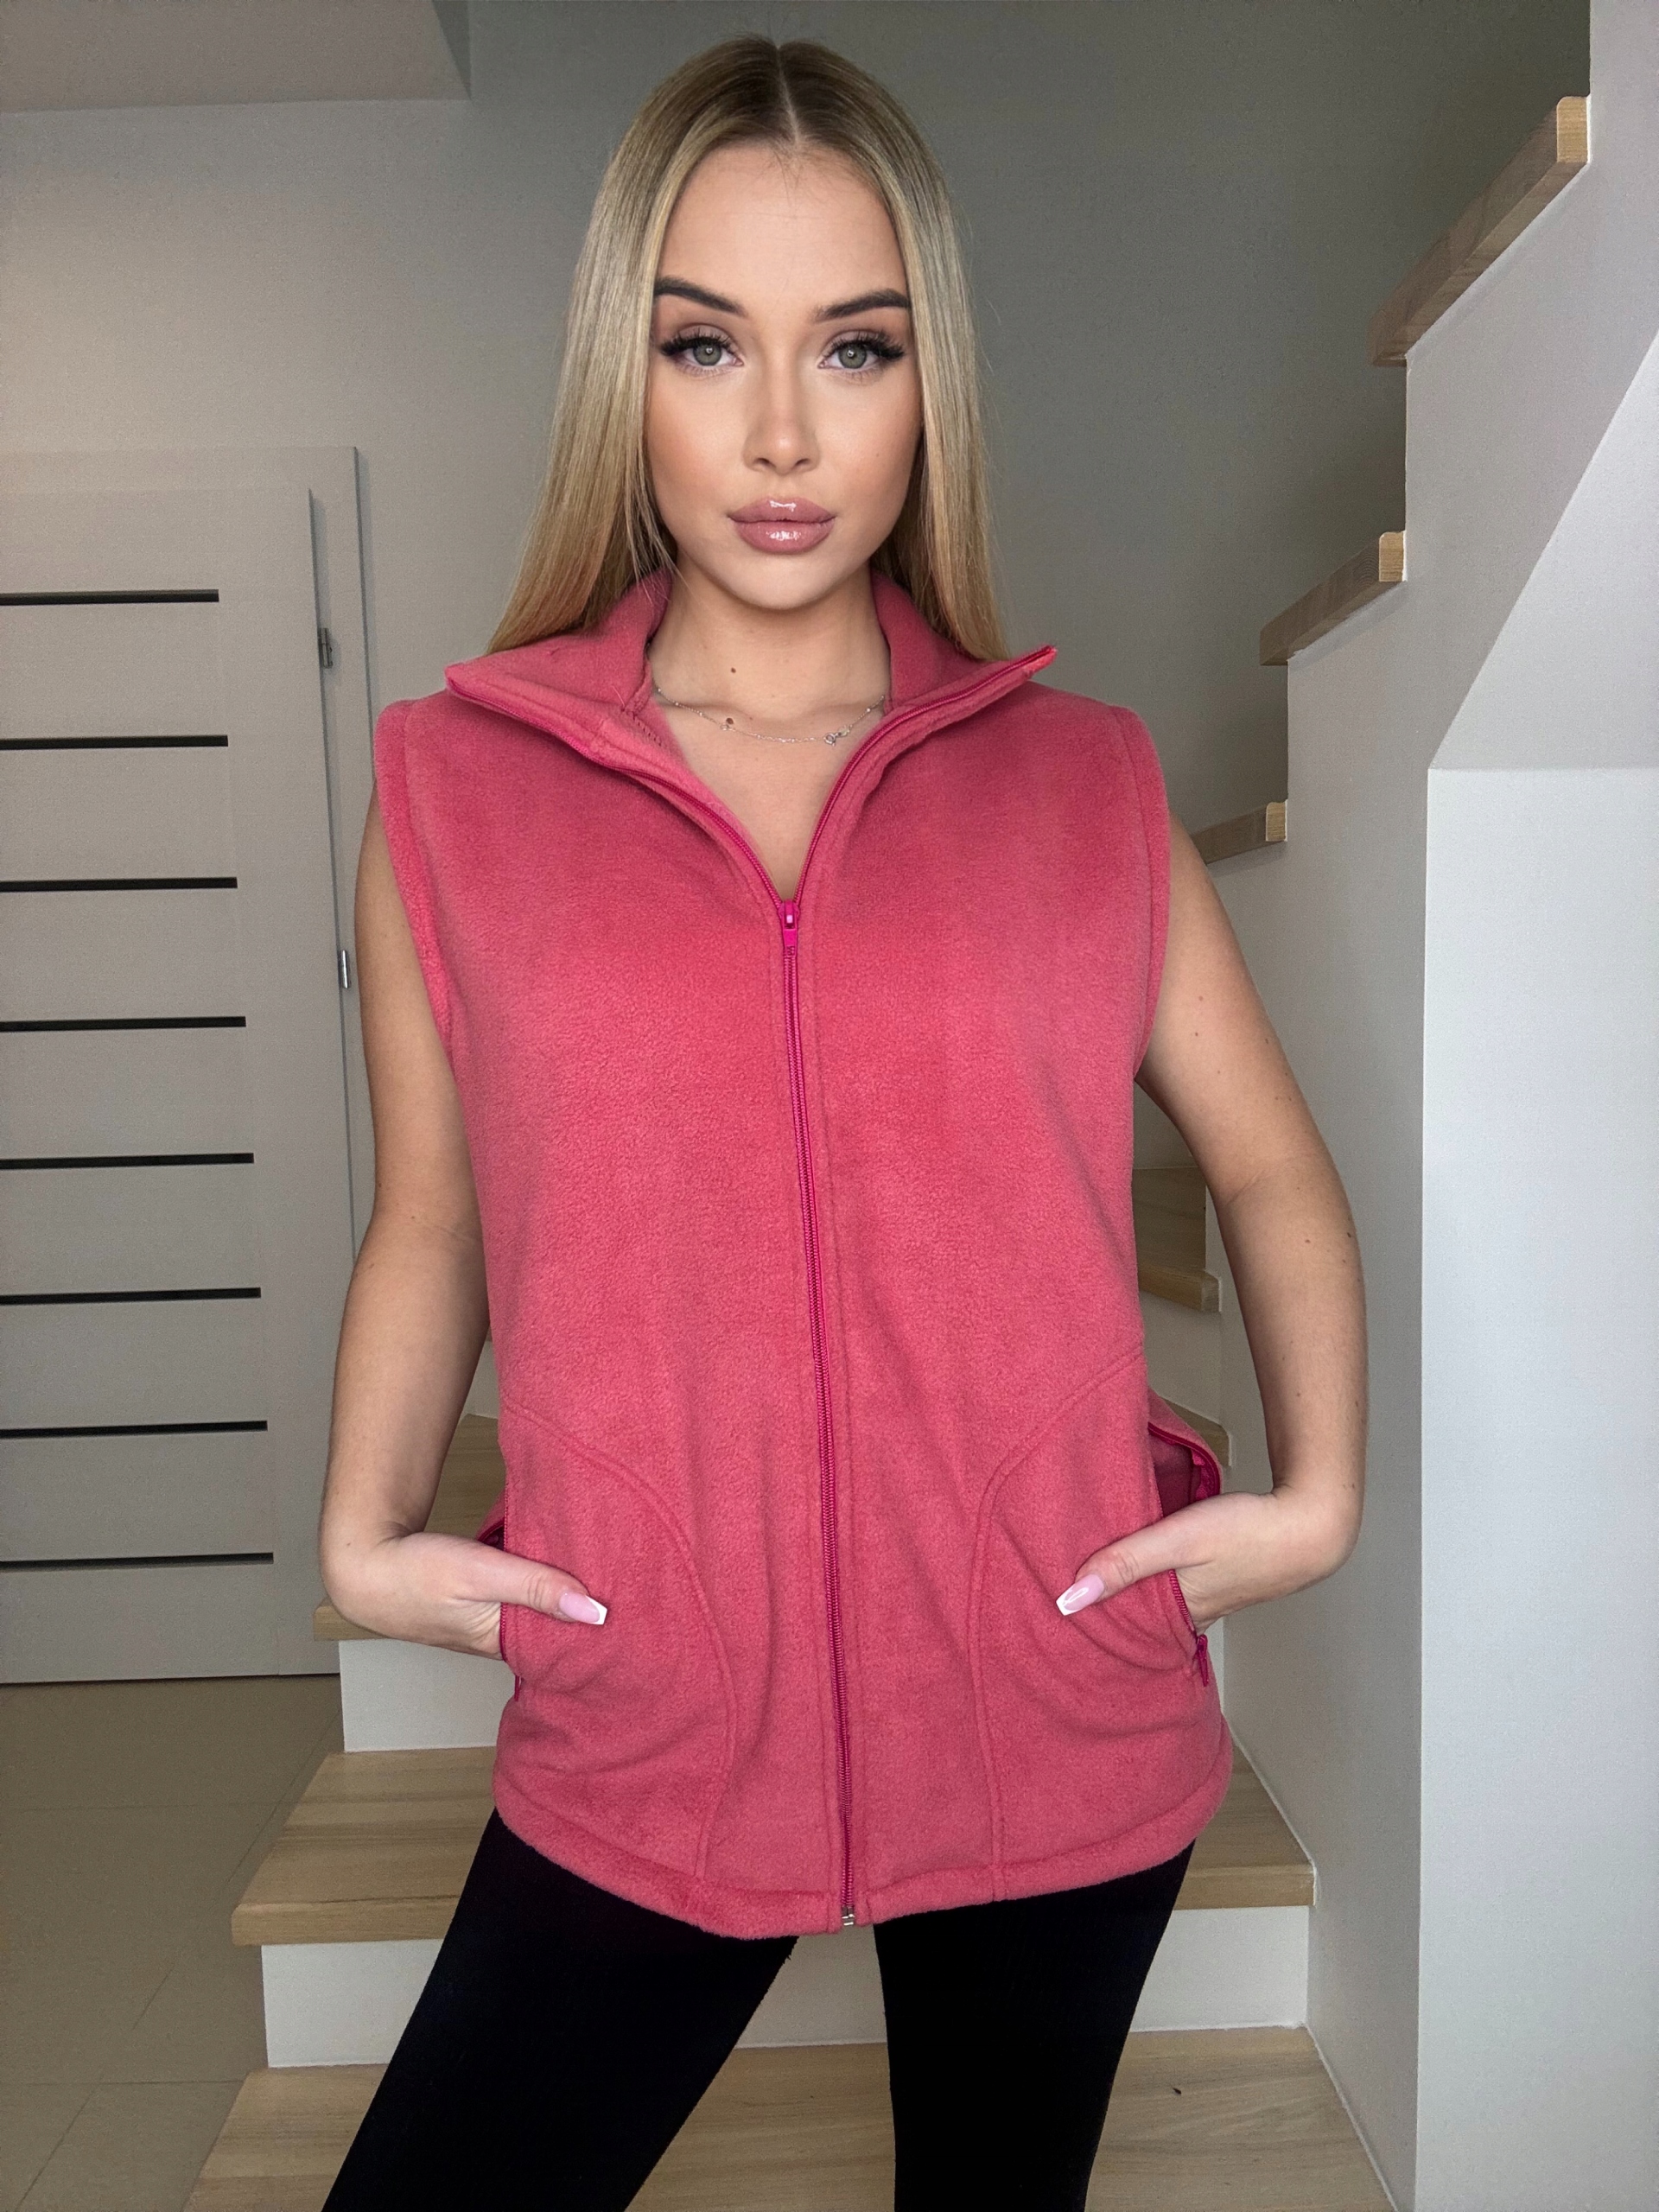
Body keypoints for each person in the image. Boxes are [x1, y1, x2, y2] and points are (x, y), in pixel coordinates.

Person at [317, 33, 1365, 2212]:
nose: (783, 432)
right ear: (625, 377)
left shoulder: (1082, 784)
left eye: (855, 347)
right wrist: (363, 1521)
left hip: (1053, 1707)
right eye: (706, 343)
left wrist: (1319, 1493)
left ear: (926, 382)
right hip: (649, 1710)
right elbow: (434, 1217)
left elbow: (1266, 1159)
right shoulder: (453, 789)